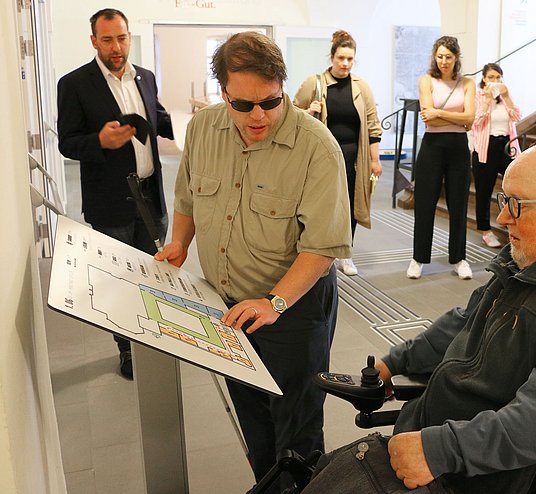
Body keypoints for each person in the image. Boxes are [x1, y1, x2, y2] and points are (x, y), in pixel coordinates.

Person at [305, 141, 536, 494]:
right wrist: (393, 363)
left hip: (509, 477)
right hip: (455, 452)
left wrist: (442, 450)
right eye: (504, 201)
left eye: (517, 205)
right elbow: (464, 323)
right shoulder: (534, 262)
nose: (502, 218)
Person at [153, 32, 352, 492]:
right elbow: (187, 197)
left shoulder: (315, 148)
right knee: (253, 417)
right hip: (230, 308)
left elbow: (321, 248)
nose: (258, 115)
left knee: (297, 429)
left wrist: (274, 302)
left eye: (270, 101)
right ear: (223, 93)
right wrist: (180, 243)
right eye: (243, 105)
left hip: (294, 309)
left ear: (282, 86)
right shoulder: (203, 129)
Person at [57, 8, 174, 380]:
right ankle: (127, 350)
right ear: (94, 41)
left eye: (121, 38)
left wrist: (199, 122)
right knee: (119, 281)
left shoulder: (146, 78)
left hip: (151, 196)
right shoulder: (75, 84)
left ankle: (156, 340)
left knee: (155, 274)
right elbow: (67, 143)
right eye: (107, 40)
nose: (116, 47)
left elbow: (157, 119)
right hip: (110, 201)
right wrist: (100, 141)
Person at [293, 30, 382, 277]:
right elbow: (291, 114)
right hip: (323, 156)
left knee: (350, 205)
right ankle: (317, 253)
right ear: (332, 57)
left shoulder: (361, 87)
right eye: (341, 58)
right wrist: (309, 111)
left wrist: (375, 160)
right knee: (322, 206)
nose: (345, 64)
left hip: (354, 157)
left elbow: (373, 125)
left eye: (350, 59)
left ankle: (346, 253)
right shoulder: (315, 83)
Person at [407, 36, 475, 280]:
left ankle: (459, 258)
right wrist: (455, 117)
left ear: (456, 57)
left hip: (458, 148)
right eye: (440, 56)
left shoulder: (467, 83)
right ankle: (418, 258)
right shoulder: (426, 80)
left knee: (458, 205)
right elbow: (428, 117)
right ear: (434, 57)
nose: (444, 61)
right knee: (425, 203)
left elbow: (470, 119)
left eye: (448, 56)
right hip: (432, 146)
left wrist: (440, 113)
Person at [470, 63, 521, 249]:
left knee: (516, 184)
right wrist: (487, 101)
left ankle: (513, 222)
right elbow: (476, 122)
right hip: (485, 148)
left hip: (506, 146)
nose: (495, 81)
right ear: (484, 79)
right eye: (491, 77)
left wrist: (505, 96)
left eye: (498, 78)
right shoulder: (477, 97)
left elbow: (516, 116)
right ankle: (485, 231)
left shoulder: (503, 96)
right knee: (484, 190)